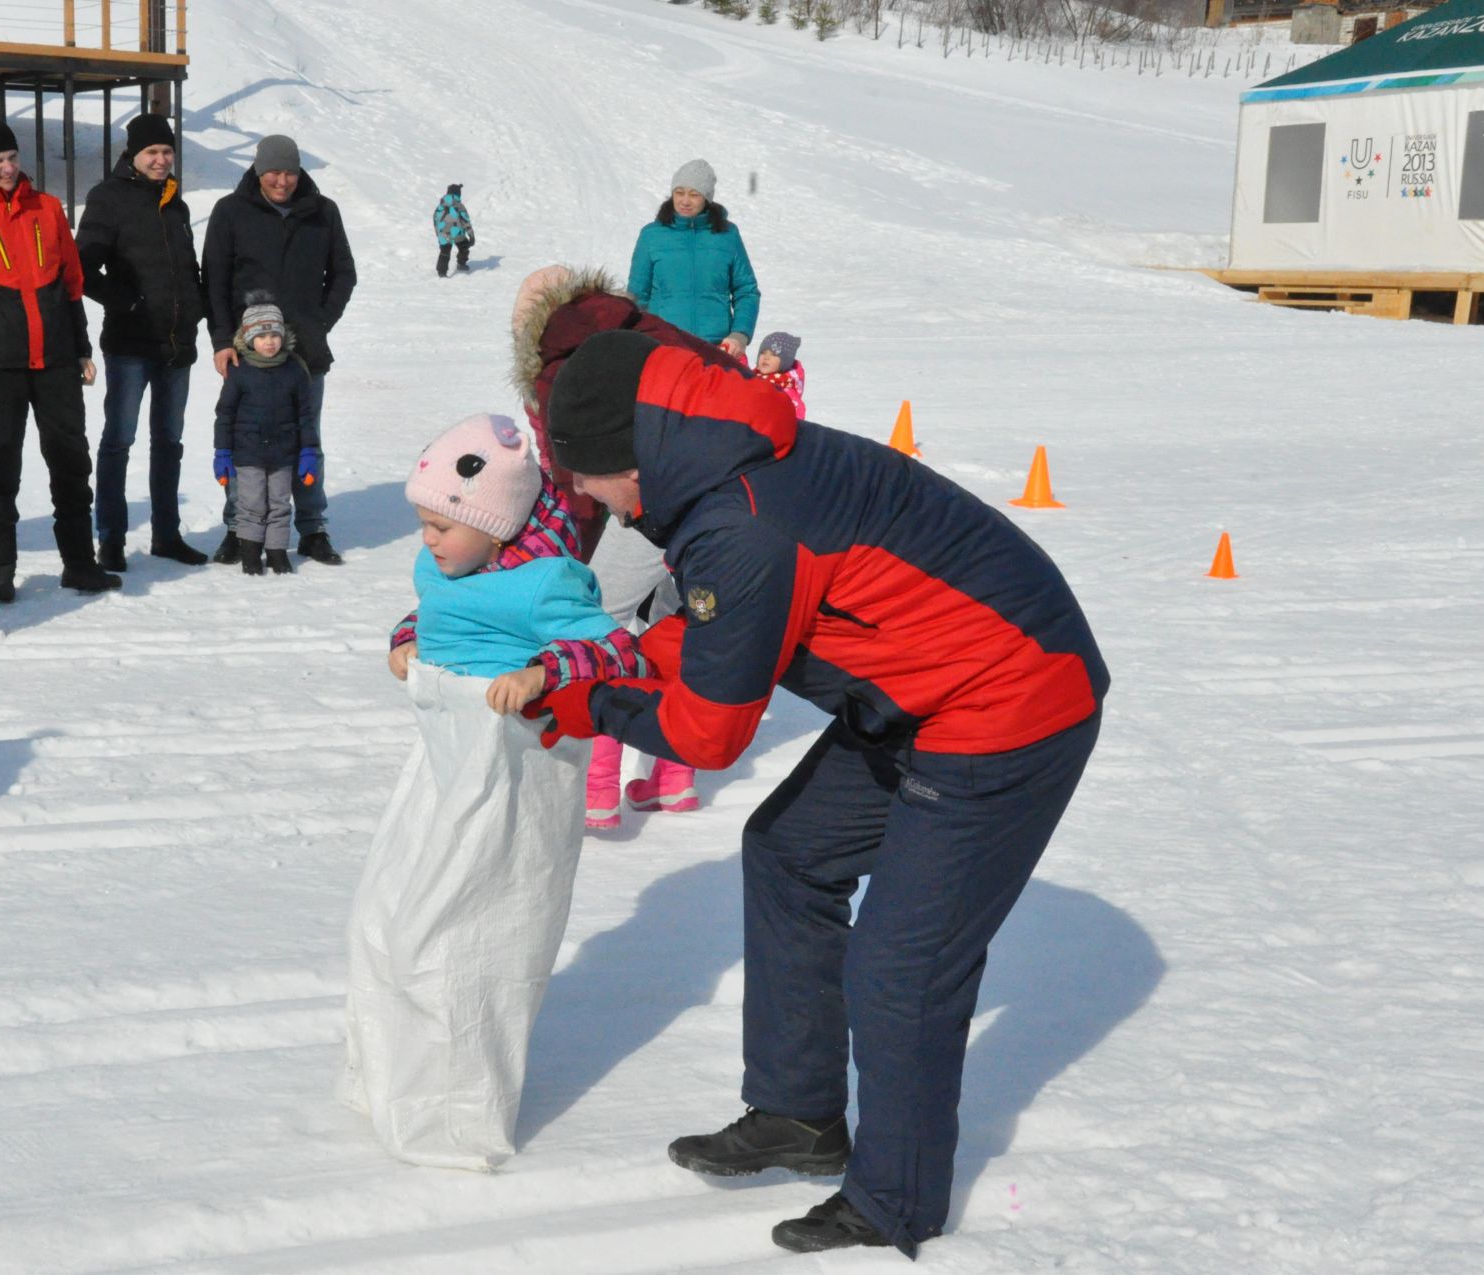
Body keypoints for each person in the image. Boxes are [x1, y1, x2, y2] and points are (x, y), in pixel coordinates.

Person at [531, 330, 1108, 1259]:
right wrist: (615, 658)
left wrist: (590, 702)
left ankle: (895, 1202)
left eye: (588, 482)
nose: (586, 502)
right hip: (923, 687)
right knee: (790, 852)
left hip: (1013, 699)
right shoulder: (725, 468)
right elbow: (727, 636)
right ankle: (800, 1116)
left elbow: (709, 732)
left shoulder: (744, 517)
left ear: (632, 460)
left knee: (900, 969)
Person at [341, 413, 647, 1169]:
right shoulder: (446, 566)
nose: (429, 542)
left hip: (509, 775)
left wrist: (543, 673)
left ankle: (454, 1116)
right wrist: (405, 640)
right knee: (383, 922)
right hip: (442, 768)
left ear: (495, 523)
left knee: (455, 938)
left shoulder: (545, 581)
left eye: (443, 526)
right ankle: (385, 1078)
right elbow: (434, 610)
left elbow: (615, 646)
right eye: (423, 524)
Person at [509, 264, 733, 829]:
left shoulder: (559, 366)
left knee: (598, 624)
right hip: (710, 499)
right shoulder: (645, 329)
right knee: (673, 628)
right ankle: (674, 779)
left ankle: (598, 787)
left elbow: (574, 477)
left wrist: (571, 558)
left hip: (646, 504)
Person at [0, 116, 115, 602]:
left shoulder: (48, 208)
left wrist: (81, 350)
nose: (8, 168)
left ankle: (79, 564)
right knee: (0, 466)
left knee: (71, 462)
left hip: (54, 360)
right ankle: (0, 570)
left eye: (12, 157)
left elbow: (71, 285)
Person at [202, 133, 356, 567]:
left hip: (305, 351)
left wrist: (318, 322)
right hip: (246, 352)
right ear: (257, 169)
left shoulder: (322, 212)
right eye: (273, 171)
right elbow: (213, 280)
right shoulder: (230, 211)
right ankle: (238, 528)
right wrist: (221, 340)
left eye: (289, 171)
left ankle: (312, 529)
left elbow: (343, 273)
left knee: (307, 437)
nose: (281, 180)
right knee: (243, 437)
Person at [76, 112, 208, 572]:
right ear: (132, 154)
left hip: (176, 345)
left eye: (167, 152)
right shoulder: (108, 198)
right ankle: (110, 538)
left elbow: (186, 268)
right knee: (119, 439)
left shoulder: (176, 202)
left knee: (169, 441)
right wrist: (126, 301)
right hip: (130, 343)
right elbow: (82, 269)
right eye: (152, 152)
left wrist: (195, 310)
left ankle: (166, 534)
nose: (161, 160)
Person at [211, 302, 316, 576]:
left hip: (284, 453)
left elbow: (306, 414)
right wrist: (222, 452)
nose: (269, 343)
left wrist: (308, 452)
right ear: (248, 339)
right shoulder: (240, 371)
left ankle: (277, 553)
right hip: (248, 455)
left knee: (280, 505)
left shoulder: (294, 369)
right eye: (261, 337)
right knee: (251, 506)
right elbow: (225, 415)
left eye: (274, 335)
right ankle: (250, 554)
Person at [627, 159, 760, 360]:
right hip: (664, 347)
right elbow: (637, 296)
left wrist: (739, 335)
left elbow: (746, 291)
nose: (685, 201)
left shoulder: (728, 235)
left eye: (694, 194)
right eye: (679, 192)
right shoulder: (651, 236)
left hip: (716, 349)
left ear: (706, 198)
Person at [754, 330, 806, 417]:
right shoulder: (754, 376)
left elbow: (797, 413)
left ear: (785, 362)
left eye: (774, 354)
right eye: (763, 353)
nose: (766, 357)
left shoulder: (785, 387)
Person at [431, 183, 474, 277]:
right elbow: (465, 220)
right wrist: (471, 235)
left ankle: (441, 272)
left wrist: (438, 233)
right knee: (464, 246)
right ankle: (461, 263)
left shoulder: (440, 206)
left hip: (443, 234)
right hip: (457, 232)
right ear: (458, 194)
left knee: (444, 251)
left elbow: (435, 219)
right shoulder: (459, 206)